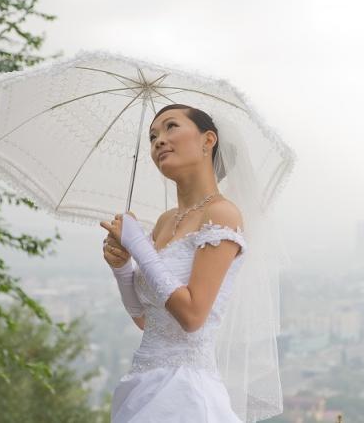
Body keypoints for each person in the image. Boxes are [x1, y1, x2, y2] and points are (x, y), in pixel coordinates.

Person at [100, 104, 256, 422]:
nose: (159, 140)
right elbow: (146, 319)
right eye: (153, 136)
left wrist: (139, 245)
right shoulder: (164, 221)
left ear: (207, 140)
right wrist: (121, 268)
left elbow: (192, 315)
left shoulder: (223, 214)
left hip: (184, 391)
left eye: (171, 127)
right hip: (142, 383)